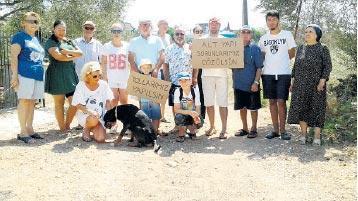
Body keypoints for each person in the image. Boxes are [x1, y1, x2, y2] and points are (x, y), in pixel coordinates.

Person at [288, 24, 332, 146]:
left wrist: (322, 81)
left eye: (310, 32)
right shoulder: (301, 48)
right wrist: (293, 82)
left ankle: (317, 137)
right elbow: (296, 66)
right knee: (302, 109)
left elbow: (327, 66)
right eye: (306, 32)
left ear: (317, 34)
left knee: (317, 109)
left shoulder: (323, 48)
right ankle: (303, 135)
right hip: (300, 84)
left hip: (316, 85)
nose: (307, 34)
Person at [259, 10, 297, 140]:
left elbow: (292, 53)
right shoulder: (263, 38)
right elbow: (262, 56)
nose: (271, 22)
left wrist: (281, 62)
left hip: (283, 73)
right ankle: (275, 130)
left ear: (278, 21)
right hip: (268, 74)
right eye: (269, 20)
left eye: (274, 19)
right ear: (266, 22)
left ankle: (283, 131)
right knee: (272, 102)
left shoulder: (287, 35)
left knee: (281, 102)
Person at [10, 12, 45, 143]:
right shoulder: (19, 37)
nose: (33, 24)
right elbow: (13, 57)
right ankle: (22, 132)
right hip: (24, 74)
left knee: (32, 101)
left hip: (37, 74)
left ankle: (30, 129)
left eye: (35, 21)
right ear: (23, 23)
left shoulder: (35, 39)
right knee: (24, 101)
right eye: (30, 21)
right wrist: (14, 76)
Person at [44, 20, 83, 132]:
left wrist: (65, 51)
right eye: (59, 29)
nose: (61, 32)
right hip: (56, 74)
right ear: (54, 29)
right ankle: (62, 129)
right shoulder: (50, 42)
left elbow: (80, 53)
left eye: (63, 29)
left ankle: (67, 124)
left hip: (70, 74)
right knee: (59, 103)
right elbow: (58, 57)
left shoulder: (68, 41)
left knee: (75, 102)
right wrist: (72, 56)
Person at [163, 26, 198, 134]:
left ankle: (189, 125)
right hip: (174, 82)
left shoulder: (190, 48)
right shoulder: (168, 49)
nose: (179, 36)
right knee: (175, 105)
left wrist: (195, 78)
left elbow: (196, 64)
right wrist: (167, 79)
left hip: (188, 82)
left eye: (181, 34)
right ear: (174, 36)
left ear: (185, 35)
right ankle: (177, 125)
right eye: (177, 34)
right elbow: (165, 65)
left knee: (189, 104)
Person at [232, 25, 263, 139]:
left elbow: (259, 67)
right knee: (242, 107)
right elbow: (229, 64)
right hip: (238, 84)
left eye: (248, 32)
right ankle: (244, 128)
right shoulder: (234, 48)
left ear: (251, 34)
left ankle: (254, 128)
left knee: (253, 108)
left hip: (251, 85)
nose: (245, 34)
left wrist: (256, 82)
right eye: (243, 32)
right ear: (239, 34)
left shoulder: (255, 48)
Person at [72, 61, 113, 142]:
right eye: (95, 76)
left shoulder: (104, 84)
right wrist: (91, 111)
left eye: (99, 76)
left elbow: (108, 102)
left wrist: (111, 117)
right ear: (87, 75)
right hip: (86, 116)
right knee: (93, 117)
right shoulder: (81, 85)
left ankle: (94, 128)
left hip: (100, 117)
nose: (98, 78)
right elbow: (78, 105)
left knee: (100, 139)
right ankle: (86, 129)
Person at [201, 17, 228, 139]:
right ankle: (212, 126)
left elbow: (230, 57)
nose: (214, 25)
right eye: (212, 23)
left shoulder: (225, 41)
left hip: (221, 75)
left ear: (219, 25)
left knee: (223, 102)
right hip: (207, 75)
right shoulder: (202, 40)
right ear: (209, 25)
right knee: (209, 103)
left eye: (216, 23)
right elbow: (197, 57)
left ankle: (224, 128)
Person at [101, 23, 130, 106]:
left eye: (119, 31)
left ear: (122, 32)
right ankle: (112, 119)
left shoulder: (127, 46)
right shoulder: (106, 46)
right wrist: (104, 76)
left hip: (124, 78)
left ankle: (124, 119)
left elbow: (131, 62)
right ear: (111, 32)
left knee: (124, 101)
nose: (116, 33)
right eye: (114, 31)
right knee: (113, 100)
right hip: (111, 77)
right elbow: (104, 62)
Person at [173, 72, 202, 142]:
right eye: (181, 81)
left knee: (200, 122)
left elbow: (198, 106)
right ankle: (182, 133)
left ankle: (192, 131)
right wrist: (189, 112)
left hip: (193, 114)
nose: (183, 82)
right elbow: (176, 110)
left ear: (190, 81)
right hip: (183, 114)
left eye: (186, 80)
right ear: (179, 82)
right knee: (179, 117)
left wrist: (196, 116)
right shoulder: (177, 91)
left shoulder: (195, 91)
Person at [138, 59, 161, 135]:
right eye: (144, 67)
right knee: (145, 117)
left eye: (148, 67)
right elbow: (137, 92)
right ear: (140, 68)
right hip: (144, 101)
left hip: (154, 101)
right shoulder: (138, 79)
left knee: (156, 116)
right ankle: (148, 133)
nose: (146, 69)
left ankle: (155, 132)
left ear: (151, 68)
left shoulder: (155, 78)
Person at [157, 19, 172, 123]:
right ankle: (156, 116)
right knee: (156, 94)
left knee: (164, 94)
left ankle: (162, 115)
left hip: (167, 69)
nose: (165, 26)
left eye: (167, 24)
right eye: (163, 24)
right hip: (157, 69)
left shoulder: (169, 37)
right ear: (158, 26)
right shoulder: (154, 37)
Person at [192, 25, 206, 120]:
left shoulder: (206, 44)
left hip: (202, 71)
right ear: (193, 33)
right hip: (191, 71)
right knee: (192, 94)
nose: (199, 33)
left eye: (200, 32)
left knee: (202, 94)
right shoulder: (189, 45)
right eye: (197, 32)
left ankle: (202, 116)